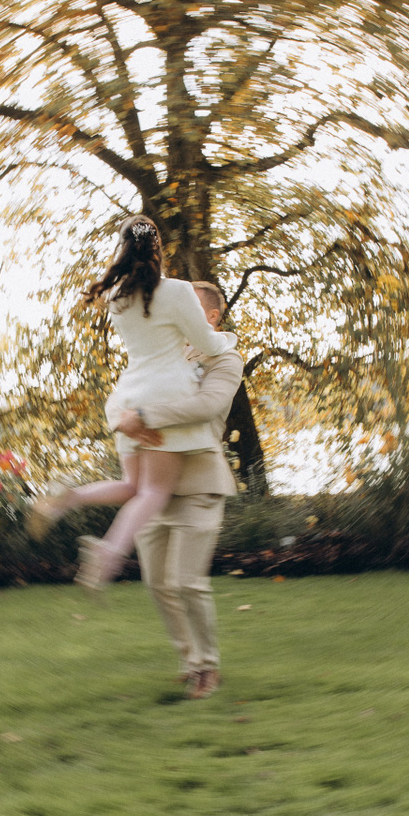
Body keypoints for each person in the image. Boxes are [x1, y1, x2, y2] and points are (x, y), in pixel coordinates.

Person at [29, 215, 236, 598]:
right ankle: (108, 552)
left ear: (123, 249)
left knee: (134, 486)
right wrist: (229, 341)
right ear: (158, 249)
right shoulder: (178, 291)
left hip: (127, 397)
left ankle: (69, 497)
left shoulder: (117, 297)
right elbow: (207, 344)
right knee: (154, 492)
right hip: (164, 395)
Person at [112, 281, 242, 698]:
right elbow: (126, 397)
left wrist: (145, 415)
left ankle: (207, 667)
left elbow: (207, 406)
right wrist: (126, 417)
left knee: (186, 581)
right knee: (158, 585)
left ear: (212, 317)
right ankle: (190, 662)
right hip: (154, 486)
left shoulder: (226, 358)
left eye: (188, 306)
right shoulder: (164, 354)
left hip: (200, 482)